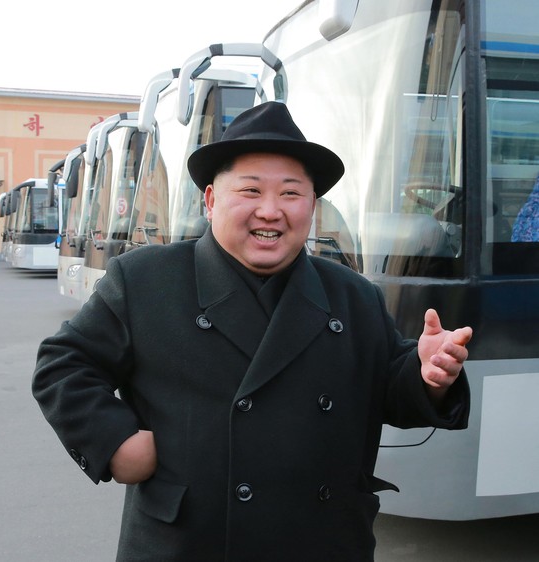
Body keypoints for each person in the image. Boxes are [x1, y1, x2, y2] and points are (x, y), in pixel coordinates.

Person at [32, 101, 472, 562]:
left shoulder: (352, 293)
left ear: (312, 206)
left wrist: (428, 374)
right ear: (210, 199)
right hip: (188, 542)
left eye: (290, 194)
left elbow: (386, 385)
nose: (270, 211)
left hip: (323, 540)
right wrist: (115, 441)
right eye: (250, 191)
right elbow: (64, 364)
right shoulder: (145, 279)